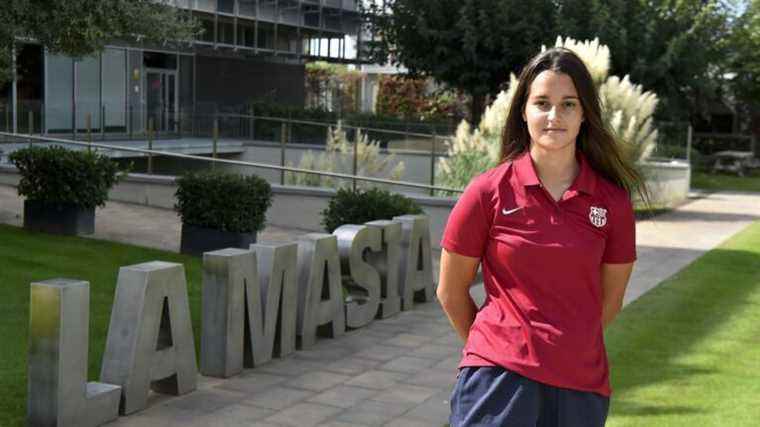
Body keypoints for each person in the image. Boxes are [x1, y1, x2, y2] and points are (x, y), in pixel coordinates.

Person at [437, 47, 647, 426]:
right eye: (542, 103)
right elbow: (451, 292)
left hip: (580, 384)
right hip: (496, 378)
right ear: (523, 111)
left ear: (585, 114)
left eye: (568, 104)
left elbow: (609, 301)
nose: (554, 116)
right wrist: (498, 347)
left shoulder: (612, 203)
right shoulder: (487, 192)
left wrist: (564, 347)